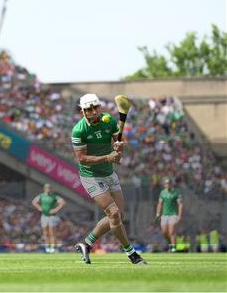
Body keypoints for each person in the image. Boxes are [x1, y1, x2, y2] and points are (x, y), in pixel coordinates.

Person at [71, 93, 146, 264]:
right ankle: (132, 254)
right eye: (89, 109)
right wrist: (108, 157)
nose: (93, 112)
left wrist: (119, 147)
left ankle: (86, 244)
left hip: (109, 173)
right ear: (83, 111)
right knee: (113, 213)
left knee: (118, 215)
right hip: (91, 176)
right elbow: (82, 158)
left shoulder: (110, 121)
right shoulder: (79, 130)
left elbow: (119, 146)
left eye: (96, 107)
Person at [31, 184, 66, 253]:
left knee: (52, 232)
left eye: (49, 188)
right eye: (47, 188)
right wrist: (39, 208)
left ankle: (52, 247)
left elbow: (63, 202)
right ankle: (47, 247)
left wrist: (56, 209)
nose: (48, 189)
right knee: (45, 233)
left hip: (52, 216)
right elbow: (34, 202)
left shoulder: (54, 196)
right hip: (44, 215)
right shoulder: (41, 196)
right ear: (44, 189)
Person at [155, 177, 183, 252]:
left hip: (173, 214)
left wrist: (179, 215)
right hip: (165, 214)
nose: (168, 185)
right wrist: (158, 213)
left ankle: (173, 249)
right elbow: (160, 204)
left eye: (169, 183)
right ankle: (171, 244)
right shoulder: (162, 192)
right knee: (164, 233)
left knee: (171, 232)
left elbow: (180, 204)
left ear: (171, 184)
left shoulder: (176, 192)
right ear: (164, 185)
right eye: (166, 183)